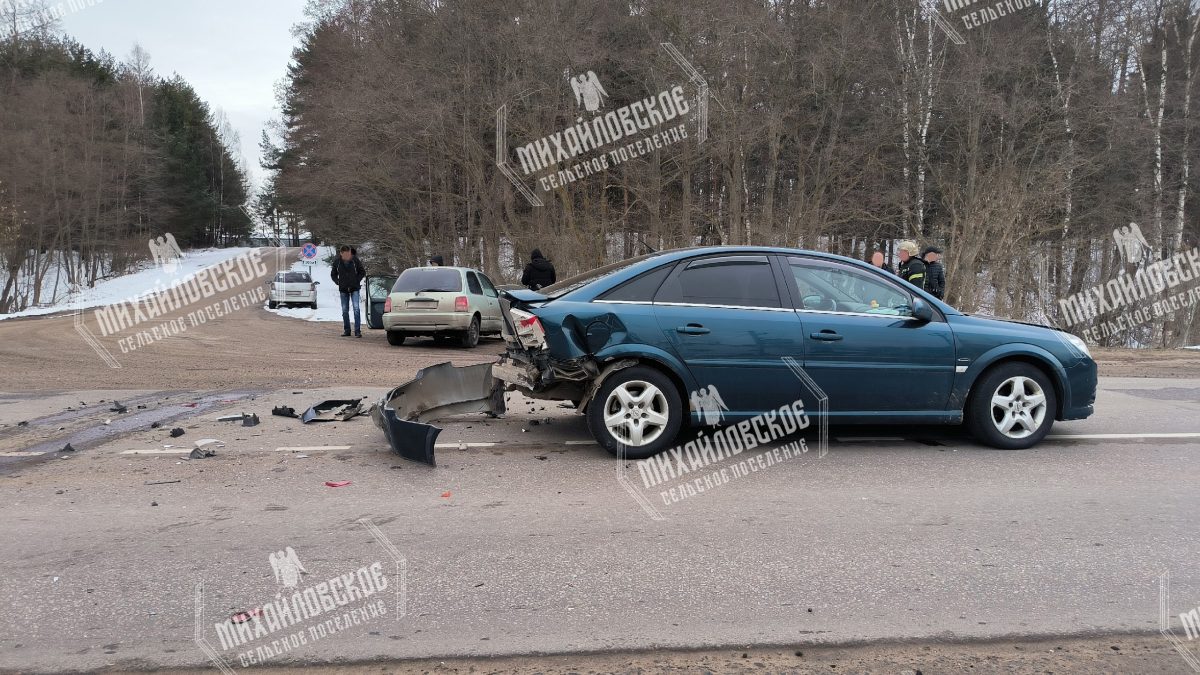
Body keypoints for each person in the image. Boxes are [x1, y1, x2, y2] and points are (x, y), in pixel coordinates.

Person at [331, 245, 366, 338]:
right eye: (346, 254)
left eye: (349, 253)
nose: (348, 256)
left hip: (354, 288)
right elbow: (333, 274)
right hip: (343, 289)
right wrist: (338, 282)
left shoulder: (355, 260)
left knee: (356, 309)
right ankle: (347, 330)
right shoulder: (337, 262)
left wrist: (356, 280)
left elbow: (362, 272)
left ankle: (357, 331)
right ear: (341, 253)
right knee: (345, 310)